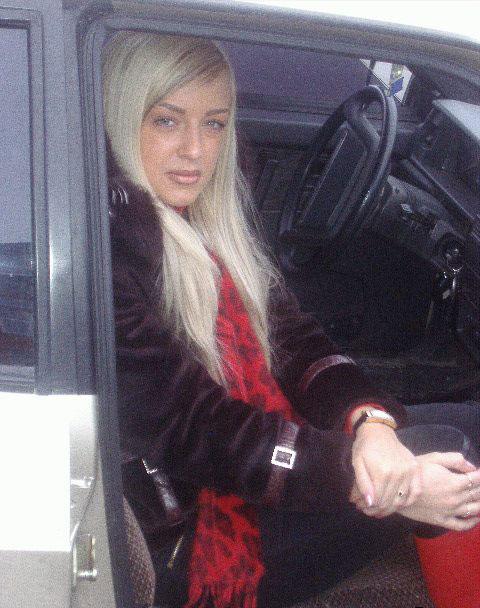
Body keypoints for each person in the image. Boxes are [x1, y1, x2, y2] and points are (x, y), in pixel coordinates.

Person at [103, 31, 480, 608]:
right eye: (166, 120)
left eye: (214, 124)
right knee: (457, 454)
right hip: (196, 526)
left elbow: (294, 340)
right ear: (124, 117)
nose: (195, 150)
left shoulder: (205, 222)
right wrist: (377, 482)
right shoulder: (116, 250)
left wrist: (370, 423)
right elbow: (198, 431)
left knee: (459, 432)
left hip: (259, 472)